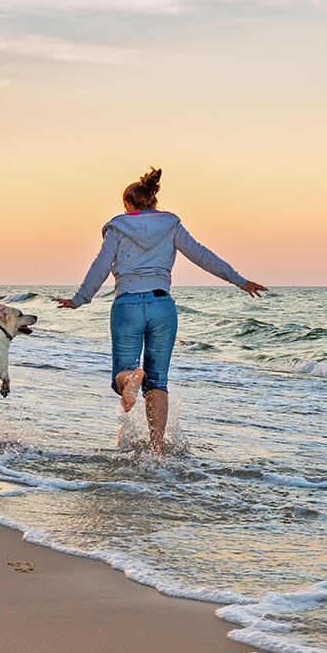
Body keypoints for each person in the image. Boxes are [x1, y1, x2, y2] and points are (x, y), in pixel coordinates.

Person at [54, 168, 266, 454]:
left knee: (123, 372)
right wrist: (240, 281)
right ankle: (156, 449)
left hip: (127, 304)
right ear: (153, 202)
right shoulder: (170, 225)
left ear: (127, 204)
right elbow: (203, 256)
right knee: (157, 381)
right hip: (162, 306)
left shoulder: (117, 229)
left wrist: (80, 299)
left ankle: (129, 380)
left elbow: (100, 267)